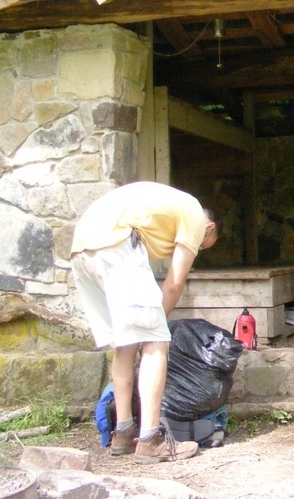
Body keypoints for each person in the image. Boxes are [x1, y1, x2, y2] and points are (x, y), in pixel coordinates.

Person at [70, 181, 220, 464]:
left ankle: (123, 432)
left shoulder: (168, 206)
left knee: (126, 340)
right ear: (208, 228)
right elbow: (174, 284)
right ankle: (151, 440)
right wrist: (156, 326)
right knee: (155, 342)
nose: (196, 247)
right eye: (202, 245)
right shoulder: (195, 216)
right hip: (114, 243)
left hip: (82, 247)